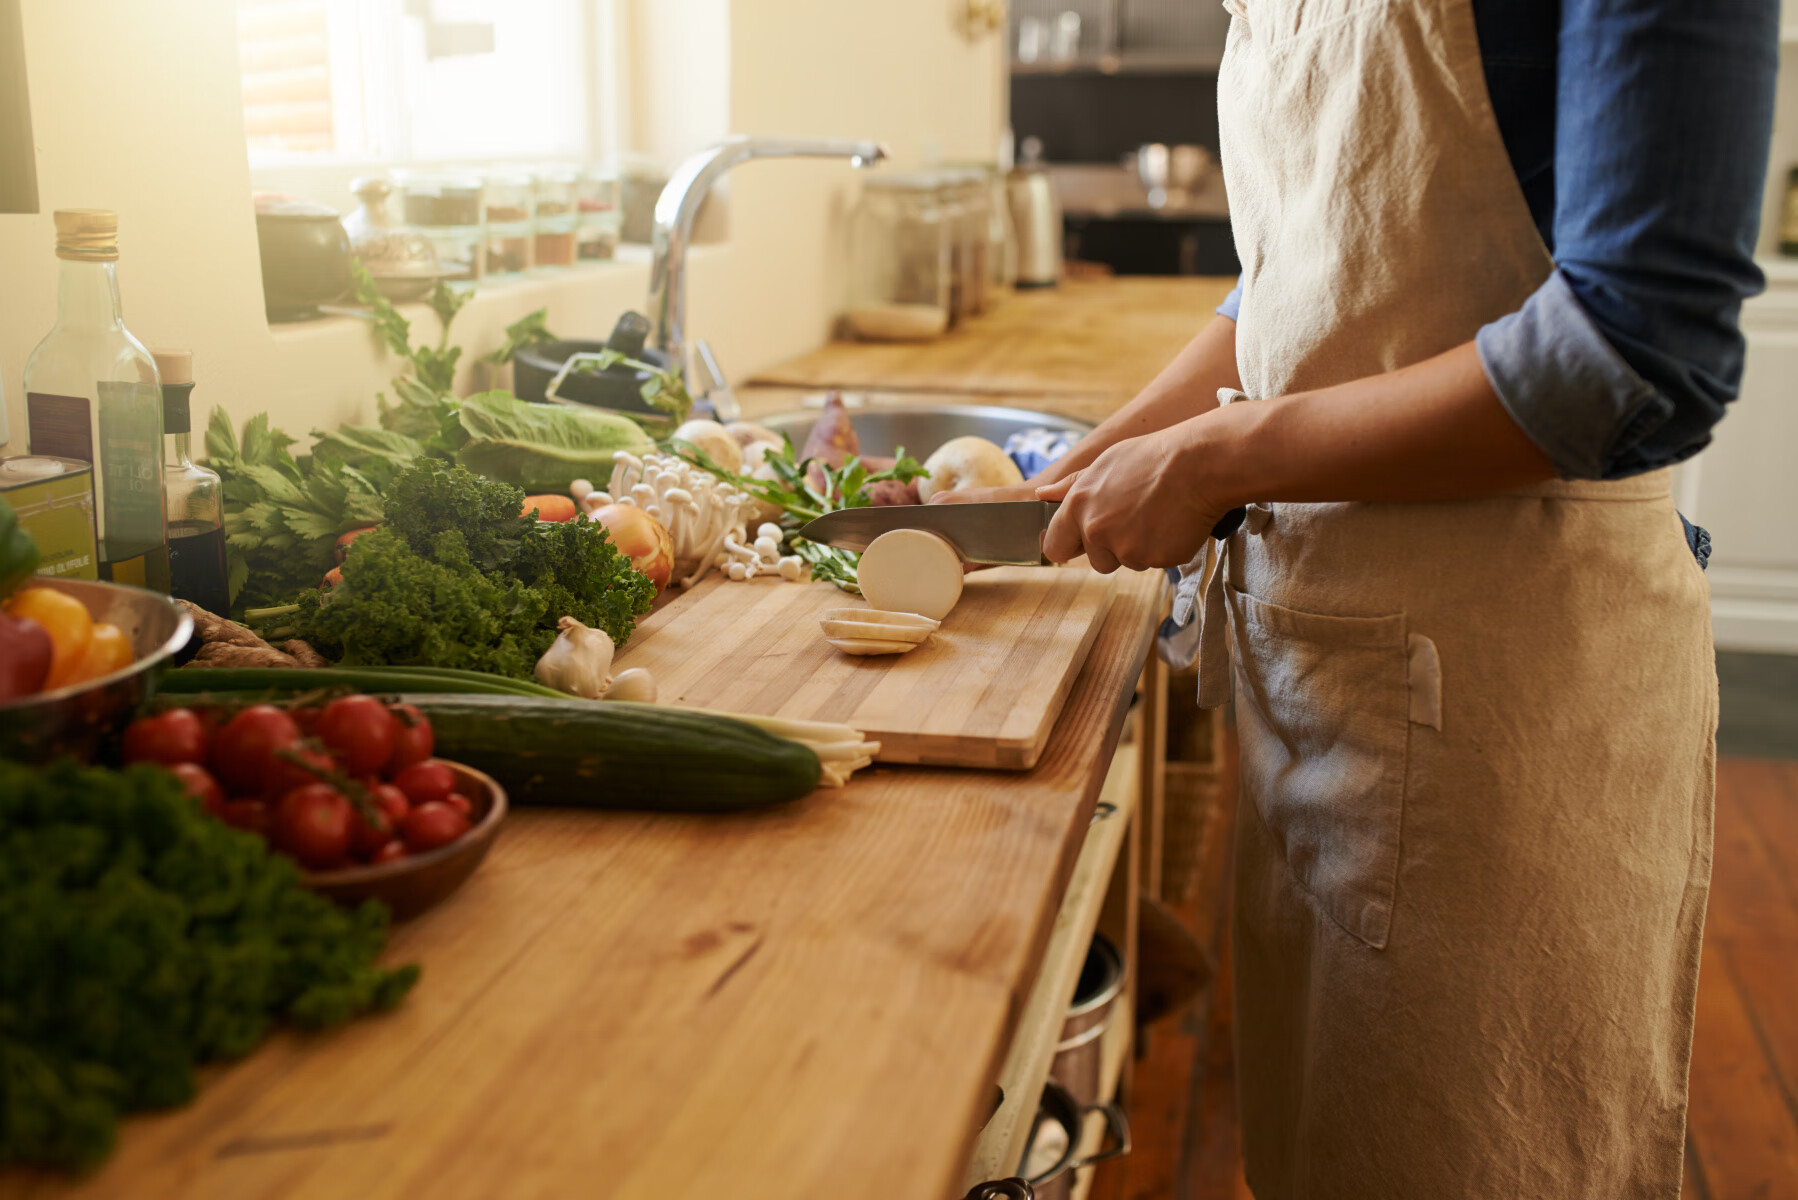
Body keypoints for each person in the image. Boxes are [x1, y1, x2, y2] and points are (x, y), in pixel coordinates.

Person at [934, 0, 1778, 1193]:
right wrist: (1086, 469)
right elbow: (1294, 277)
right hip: (1316, 677)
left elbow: (1636, 351)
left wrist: (1217, 459)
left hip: (1505, 699)